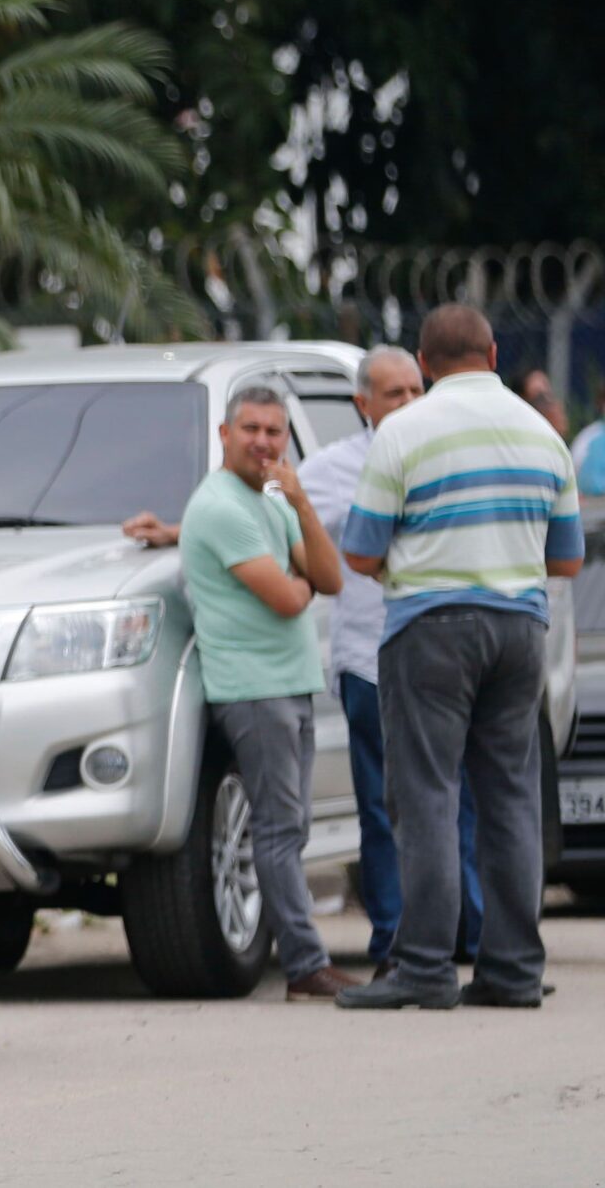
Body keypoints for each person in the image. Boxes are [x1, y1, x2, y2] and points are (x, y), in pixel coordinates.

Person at [336, 305, 584, 1011]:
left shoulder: (403, 431)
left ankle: (424, 966)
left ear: (423, 363)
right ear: (495, 352)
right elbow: (565, 558)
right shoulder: (544, 435)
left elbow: (358, 549)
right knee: (509, 797)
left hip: (430, 628)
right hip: (518, 632)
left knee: (426, 796)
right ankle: (510, 971)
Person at [297, 345, 482, 979]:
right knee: (382, 807)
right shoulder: (335, 466)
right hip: (370, 658)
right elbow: (269, 494)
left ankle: (469, 935)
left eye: (415, 390)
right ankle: (395, 941)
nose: (407, 403)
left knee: (458, 799)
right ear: (363, 404)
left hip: (446, 655)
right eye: (393, 394)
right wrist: (189, 525)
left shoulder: (454, 451)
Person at [173, 382, 354, 999]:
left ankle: (305, 959)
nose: (262, 442)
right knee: (278, 831)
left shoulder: (275, 497)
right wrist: (299, 582)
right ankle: (305, 965)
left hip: (290, 684)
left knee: (290, 827)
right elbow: (287, 598)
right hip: (253, 689)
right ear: (225, 435)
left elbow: (329, 576)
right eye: (250, 429)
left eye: (274, 431)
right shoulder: (220, 505)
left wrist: (300, 504)